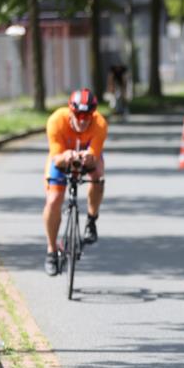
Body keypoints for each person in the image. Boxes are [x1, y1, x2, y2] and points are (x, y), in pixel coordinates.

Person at [42, 88, 108, 276]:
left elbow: (95, 156)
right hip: (62, 158)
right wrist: (67, 156)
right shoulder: (56, 121)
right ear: (70, 111)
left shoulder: (100, 124)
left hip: (88, 158)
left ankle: (91, 219)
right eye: (78, 114)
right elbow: (56, 158)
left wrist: (89, 157)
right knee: (54, 200)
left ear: (93, 114)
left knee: (97, 178)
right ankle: (51, 251)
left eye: (87, 115)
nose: (82, 119)